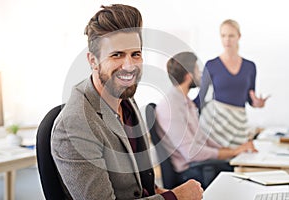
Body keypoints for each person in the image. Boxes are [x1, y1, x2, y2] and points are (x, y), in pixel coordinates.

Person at [51, 4, 203, 200]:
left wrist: (161, 192)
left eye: (135, 54)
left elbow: (139, 182)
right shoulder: (74, 125)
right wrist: (174, 198)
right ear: (93, 61)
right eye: (117, 55)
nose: (129, 66)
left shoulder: (125, 100)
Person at [155, 51, 257, 189]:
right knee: (246, 179)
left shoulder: (186, 102)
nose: (201, 75)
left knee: (246, 170)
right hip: (192, 172)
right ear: (189, 76)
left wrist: (231, 150)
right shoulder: (171, 106)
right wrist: (233, 152)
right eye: (198, 71)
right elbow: (192, 152)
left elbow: (202, 138)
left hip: (201, 166)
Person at [195, 19, 269, 148]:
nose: (227, 40)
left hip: (238, 124)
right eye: (223, 36)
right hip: (215, 123)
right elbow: (201, 97)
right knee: (214, 162)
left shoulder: (250, 67)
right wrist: (180, 104)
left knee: (235, 160)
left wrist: (257, 103)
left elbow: (249, 98)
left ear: (238, 36)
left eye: (231, 35)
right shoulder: (211, 65)